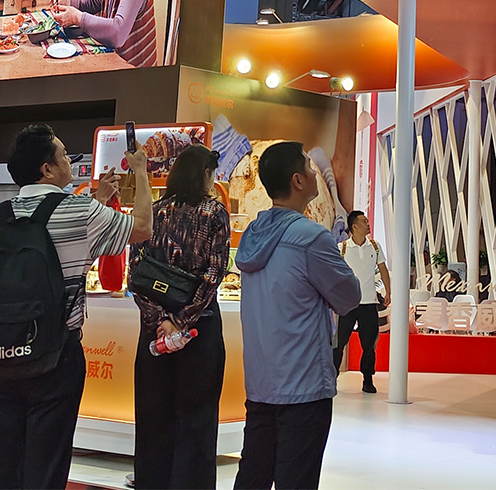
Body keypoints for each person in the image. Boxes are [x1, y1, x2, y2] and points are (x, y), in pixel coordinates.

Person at [0, 125, 152, 489]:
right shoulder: (80, 211)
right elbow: (143, 227)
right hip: (55, 356)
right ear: (47, 169)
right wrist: (141, 171)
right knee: (45, 465)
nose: (70, 161)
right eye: (64, 155)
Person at [234, 142, 362, 490]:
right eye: (308, 165)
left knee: (253, 476)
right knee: (297, 480)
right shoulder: (311, 237)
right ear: (298, 181)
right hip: (303, 385)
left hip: (261, 383)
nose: (315, 171)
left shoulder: (252, 235)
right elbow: (349, 296)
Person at [132, 144, 231, 489]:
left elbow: (136, 272)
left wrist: (161, 319)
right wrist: (184, 320)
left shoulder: (154, 211)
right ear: (205, 174)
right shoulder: (214, 212)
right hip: (200, 330)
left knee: (153, 416)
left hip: (154, 332)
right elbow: (214, 274)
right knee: (197, 420)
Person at [332, 210, 392, 394]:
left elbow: (383, 269)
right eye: (364, 221)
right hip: (347, 304)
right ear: (354, 226)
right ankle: (331, 379)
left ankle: (367, 379)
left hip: (369, 303)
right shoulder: (342, 248)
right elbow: (334, 273)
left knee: (369, 345)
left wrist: (388, 290)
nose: (368, 224)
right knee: (339, 343)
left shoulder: (374, 246)